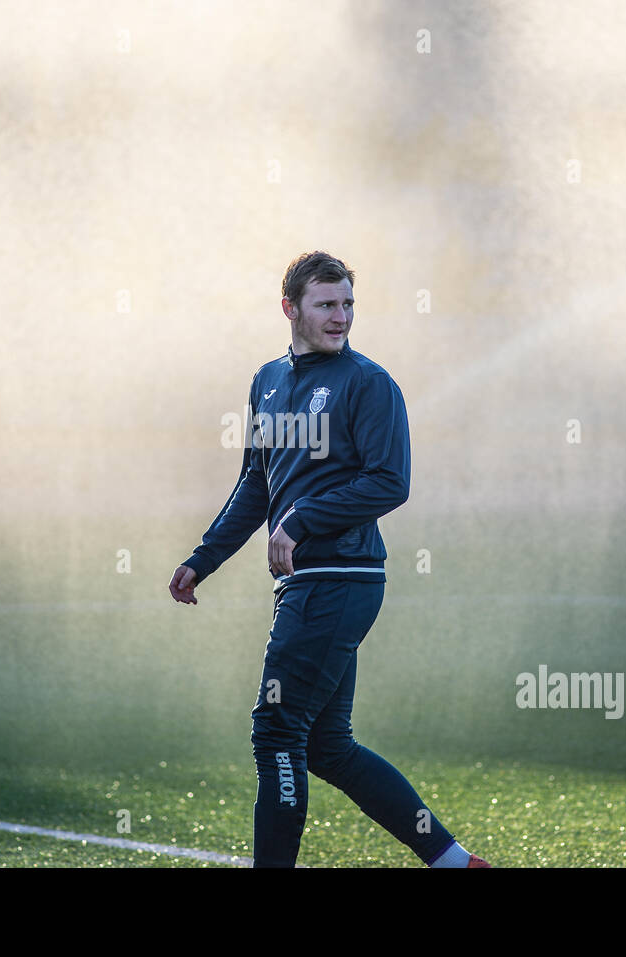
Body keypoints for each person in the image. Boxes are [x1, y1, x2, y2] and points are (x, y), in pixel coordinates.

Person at [168, 251, 490, 868]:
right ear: (290, 308)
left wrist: (303, 519)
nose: (340, 317)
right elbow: (255, 487)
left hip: (341, 578)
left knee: (277, 731)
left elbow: (390, 481)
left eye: (347, 304)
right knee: (326, 746)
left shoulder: (368, 383)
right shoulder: (267, 380)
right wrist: (203, 557)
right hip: (306, 584)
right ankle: (455, 862)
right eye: (326, 304)